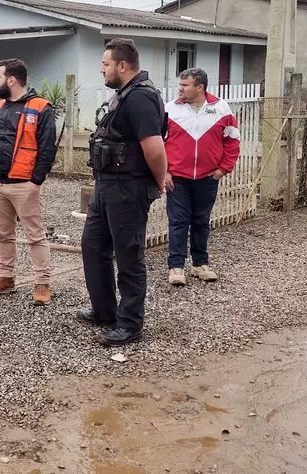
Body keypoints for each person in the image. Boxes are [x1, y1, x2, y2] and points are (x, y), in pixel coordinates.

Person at [77, 38, 168, 346]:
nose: (102, 69)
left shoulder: (140, 97)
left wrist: (159, 180)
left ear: (122, 65)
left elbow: (154, 149)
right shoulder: (123, 94)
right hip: (106, 186)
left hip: (128, 187)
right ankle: (104, 310)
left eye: (105, 64)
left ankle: (129, 324)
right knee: (92, 247)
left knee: (129, 256)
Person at [0, 58, 58, 305]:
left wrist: (36, 181)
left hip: (25, 185)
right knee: (4, 234)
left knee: (35, 235)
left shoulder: (41, 108)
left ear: (11, 80)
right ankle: (6, 278)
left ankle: (42, 283)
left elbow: (48, 149)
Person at [163, 68, 240, 286]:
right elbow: (158, 143)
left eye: (185, 85)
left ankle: (200, 264)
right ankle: (176, 267)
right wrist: (165, 171)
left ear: (200, 87)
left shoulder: (221, 109)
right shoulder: (169, 109)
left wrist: (223, 169)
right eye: (180, 84)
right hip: (178, 178)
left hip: (208, 178)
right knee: (178, 221)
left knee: (201, 221)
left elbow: (233, 141)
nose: (180, 88)